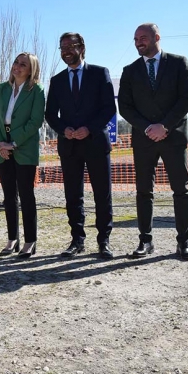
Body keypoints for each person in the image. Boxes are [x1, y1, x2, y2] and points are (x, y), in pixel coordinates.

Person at [118, 23, 188, 261]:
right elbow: (125, 106)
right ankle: (145, 241)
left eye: (142, 37)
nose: (138, 42)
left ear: (156, 37)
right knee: (143, 191)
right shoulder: (130, 71)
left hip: (173, 137)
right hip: (144, 140)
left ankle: (184, 242)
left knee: (181, 191)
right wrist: (147, 127)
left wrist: (165, 126)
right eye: (135, 39)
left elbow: (187, 98)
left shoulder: (179, 63)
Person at [45, 32, 116, 259]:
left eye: (70, 46)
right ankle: (77, 240)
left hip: (95, 142)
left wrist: (90, 128)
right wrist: (63, 129)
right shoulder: (56, 81)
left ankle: (103, 241)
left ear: (81, 47)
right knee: (73, 196)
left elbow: (108, 109)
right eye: (62, 47)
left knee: (102, 194)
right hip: (70, 146)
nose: (65, 51)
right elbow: (50, 114)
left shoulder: (99, 73)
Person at [0, 52, 45, 259]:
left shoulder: (36, 91)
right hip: (2, 147)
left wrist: (13, 143)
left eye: (23, 64)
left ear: (31, 70)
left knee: (26, 195)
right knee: (8, 196)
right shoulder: (2, 89)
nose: (18, 67)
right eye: (16, 62)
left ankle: (30, 241)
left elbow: (35, 122)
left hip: (23, 147)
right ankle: (12, 238)